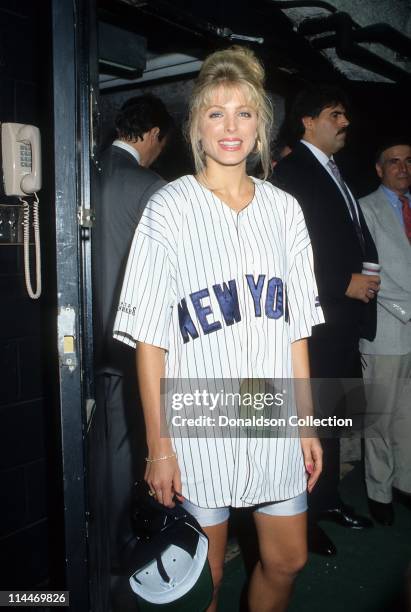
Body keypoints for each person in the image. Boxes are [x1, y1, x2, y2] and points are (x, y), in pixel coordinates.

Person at [113, 46, 324, 612]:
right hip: (198, 413)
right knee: (201, 583)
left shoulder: (285, 210)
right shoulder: (168, 208)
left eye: (244, 112)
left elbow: (296, 330)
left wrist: (306, 424)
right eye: (215, 113)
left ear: (260, 127)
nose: (230, 126)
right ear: (195, 127)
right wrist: (159, 445)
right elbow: (151, 339)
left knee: (287, 560)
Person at [271, 85, 379, 556]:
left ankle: (328, 499)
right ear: (308, 121)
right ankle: (305, 519)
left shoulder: (333, 171)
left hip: (340, 324)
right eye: (336, 114)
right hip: (315, 322)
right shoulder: (293, 172)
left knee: (332, 418)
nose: (345, 123)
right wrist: (342, 283)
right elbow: (289, 252)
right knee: (310, 419)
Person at [93, 93, 173, 566]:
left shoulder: (84, 173)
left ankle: (94, 536)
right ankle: (121, 547)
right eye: (161, 143)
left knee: (97, 444)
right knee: (126, 446)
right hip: (129, 341)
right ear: (150, 135)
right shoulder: (150, 185)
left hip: (80, 337)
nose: (159, 152)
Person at [359, 139, 411, 525]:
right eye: (394, 161)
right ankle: (378, 491)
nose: (403, 168)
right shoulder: (366, 209)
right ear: (379, 169)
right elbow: (369, 277)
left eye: (409, 161)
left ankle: (404, 484)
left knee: (408, 416)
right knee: (380, 417)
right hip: (386, 330)